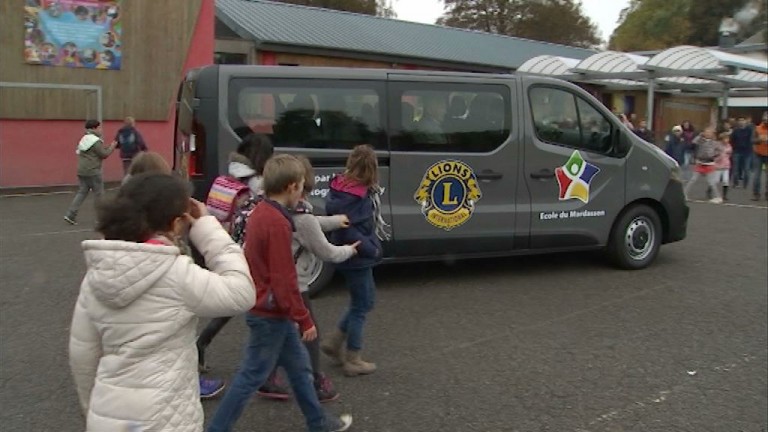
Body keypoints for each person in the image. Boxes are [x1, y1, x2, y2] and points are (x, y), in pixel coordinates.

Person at [69, 174, 256, 431]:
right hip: (165, 416)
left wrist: (94, 410)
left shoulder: (97, 273)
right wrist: (207, 228)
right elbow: (241, 293)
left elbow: (83, 354)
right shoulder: (176, 273)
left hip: (109, 414)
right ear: (177, 222)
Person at [207, 155, 353, 432]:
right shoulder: (278, 223)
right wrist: (303, 318)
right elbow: (284, 278)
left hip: (269, 308)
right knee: (250, 377)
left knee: (299, 370)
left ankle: (318, 421)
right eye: (300, 185)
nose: (302, 190)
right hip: (271, 312)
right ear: (290, 187)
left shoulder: (262, 212)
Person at [260, 155, 359, 403]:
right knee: (309, 333)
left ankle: (269, 376)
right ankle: (315, 381)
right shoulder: (302, 217)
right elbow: (325, 251)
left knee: (278, 332)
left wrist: (335, 221)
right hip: (296, 284)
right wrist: (349, 249)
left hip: (272, 281)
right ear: (299, 185)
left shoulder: (278, 208)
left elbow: (312, 224)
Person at [196, 134, 273, 375]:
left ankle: (202, 342)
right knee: (257, 303)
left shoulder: (227, 175)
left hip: (216, 243)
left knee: (234, 301)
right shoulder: (256, 184)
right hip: (243, 248)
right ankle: (264, 368)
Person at [321, 144, 389, 377]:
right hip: (358, 255)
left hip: (347, 253)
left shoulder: (340, 189)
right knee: (363, 304)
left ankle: (335, 341)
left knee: (362, 301)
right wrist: (371, 249)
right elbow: (354, 229)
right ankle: (353, 357)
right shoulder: (358, 197)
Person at [64, 120, 117, 225]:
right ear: (93, 128)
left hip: (82, 170)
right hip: (93, 171)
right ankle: (100, 219)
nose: (101, 130)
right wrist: (112, 147)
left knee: (82, 192)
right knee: (99, 195)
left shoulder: (84, 139)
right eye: (99, 128)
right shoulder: (95, 141)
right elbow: (103, 154)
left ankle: (70, 214)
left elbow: (94, 152)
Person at [684, 126, 723, 204]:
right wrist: (700, 135)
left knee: (711, 182)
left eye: (710, 132)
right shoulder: (700, 140)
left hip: (710, 163)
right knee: (693, 179)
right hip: (700, 163)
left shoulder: (715, 143)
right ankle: (684, 194)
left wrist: (714, 156)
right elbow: (693, 142)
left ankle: (718, 197)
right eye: (706, 132)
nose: (708, 134)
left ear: (712, 134)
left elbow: (720, 151)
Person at [730, 117, 755, 189]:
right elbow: (732, 140)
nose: (741, 122)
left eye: (742, 120)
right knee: (735, 168)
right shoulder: (735, 131)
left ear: (745, 122)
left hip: (747, 152)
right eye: (739, 120)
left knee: (746, 169)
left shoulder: (749, 130)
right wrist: (733, 148)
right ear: (738, 122)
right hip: (737, 151)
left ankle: (745, 184)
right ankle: (735, 183)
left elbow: (752, 139)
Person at [752, 111, 768, 201]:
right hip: (758, 154)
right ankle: (756, 194)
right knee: (756, 175)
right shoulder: (757, 128)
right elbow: (752, 140)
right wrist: (759, 139)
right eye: (765, 119)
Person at [715, 130, 733, 201]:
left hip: (726, 166)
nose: (726, 140)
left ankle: (724, 195)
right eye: (725, 139)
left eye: (727, 139)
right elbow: (714, 154)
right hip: (718, 166)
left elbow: (730, 154)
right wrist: (717, 157)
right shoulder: (717, 146)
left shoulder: (729, 146)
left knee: (726, 180)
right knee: (716, 180)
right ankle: (711, 191)